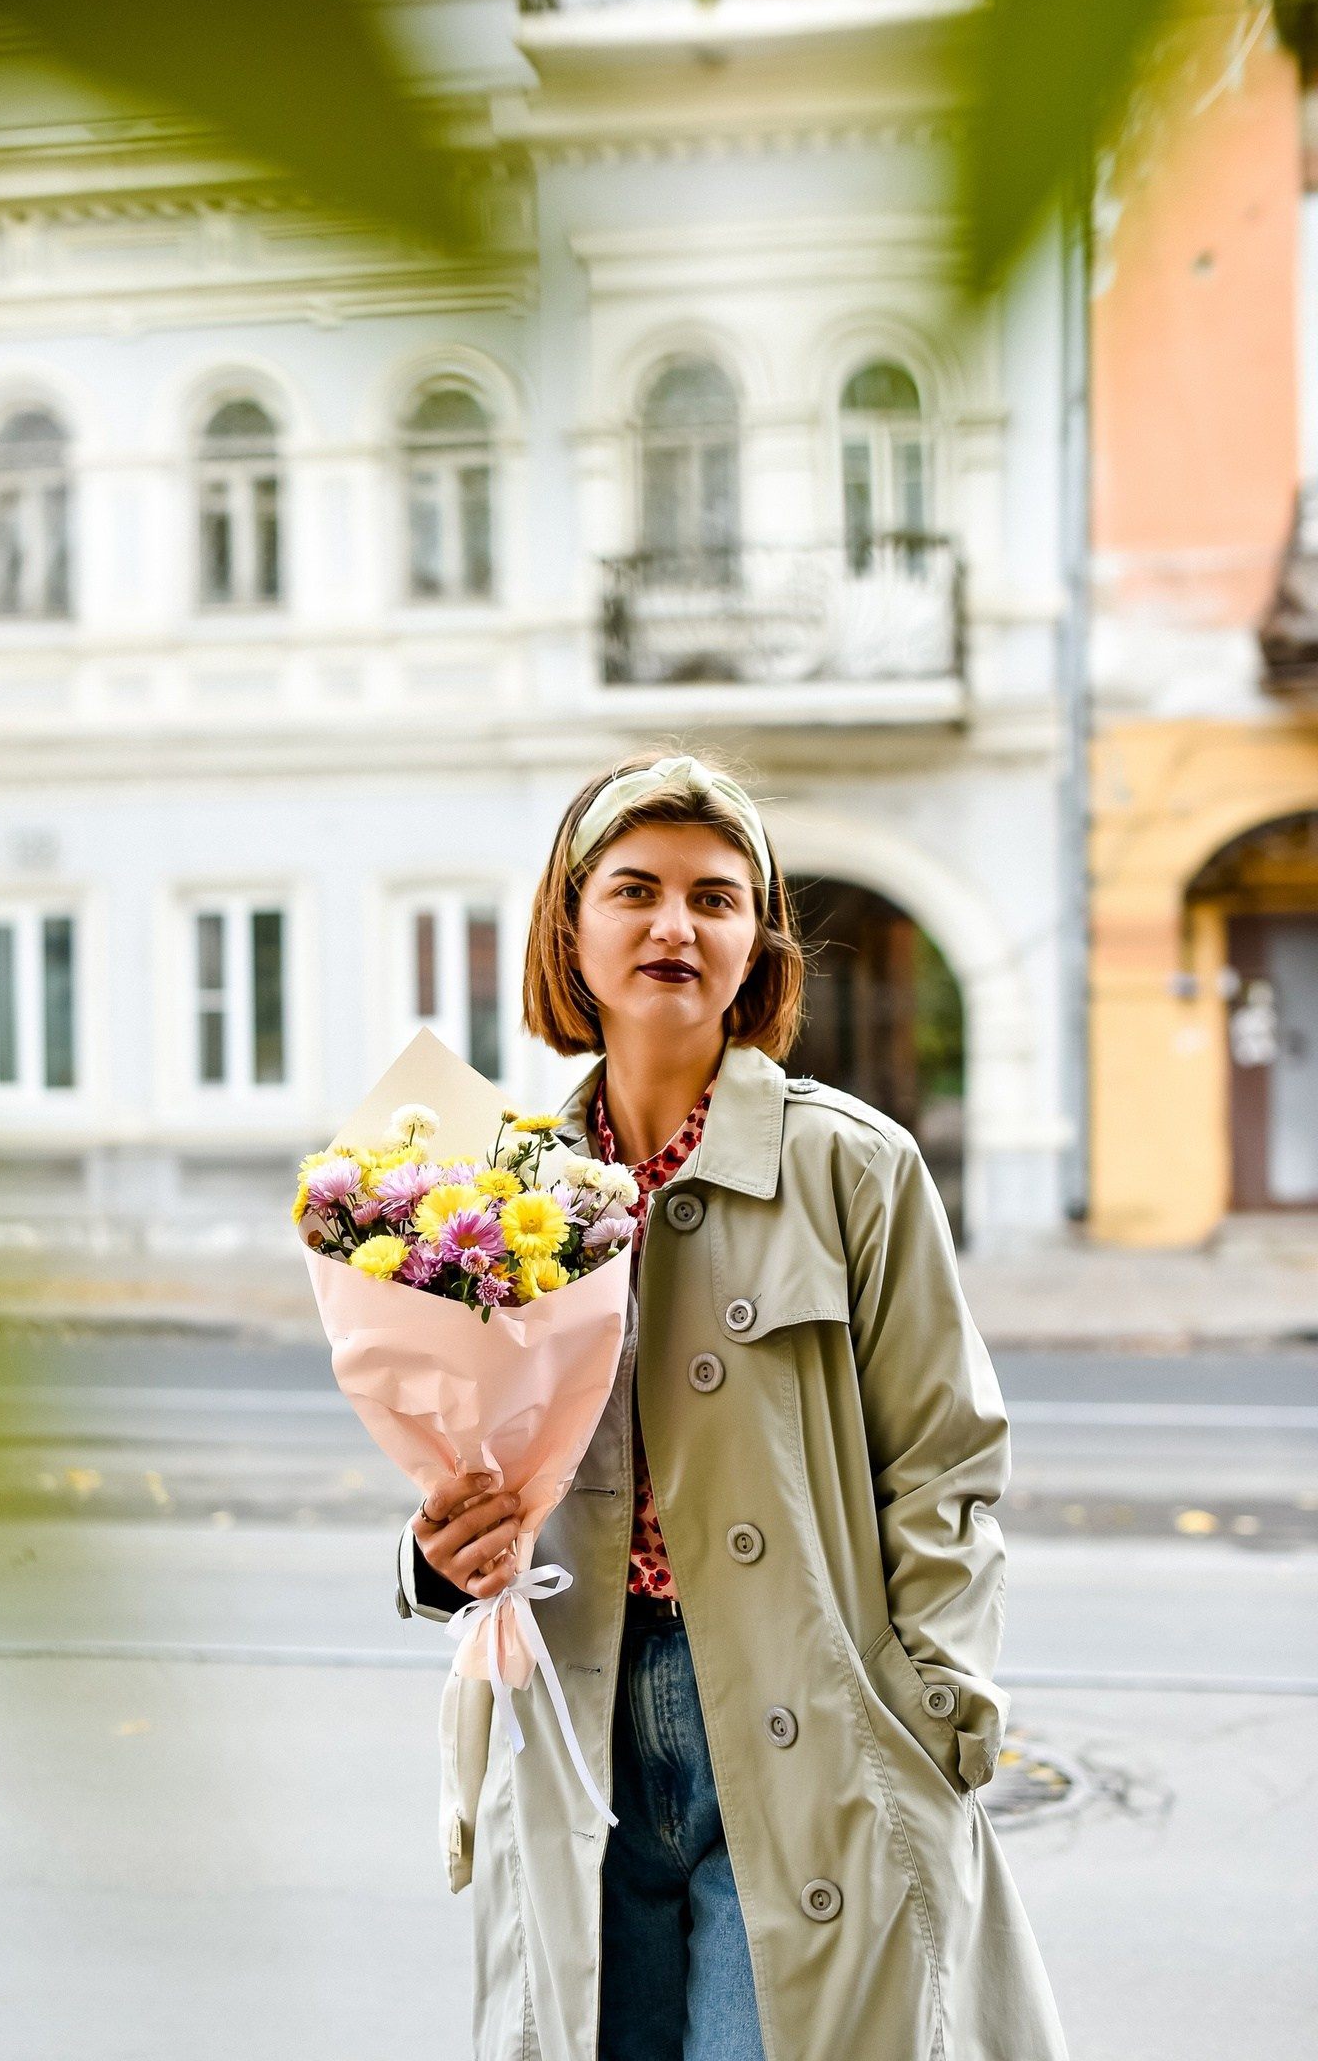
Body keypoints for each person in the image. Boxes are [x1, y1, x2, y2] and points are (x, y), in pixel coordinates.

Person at [396, 753, 1067, 2061]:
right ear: (570, 928)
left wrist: (938, 1715)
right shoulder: (494, 1186)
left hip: (803, 1723)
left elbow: (946, 1466)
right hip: (579, 1732)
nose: (673, 926)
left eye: (715, 897)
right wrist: (433, 1557)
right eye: (634, 890)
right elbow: (450, 1454)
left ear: (757, 940)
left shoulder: (849, 1167)